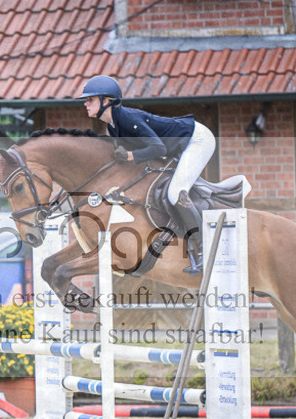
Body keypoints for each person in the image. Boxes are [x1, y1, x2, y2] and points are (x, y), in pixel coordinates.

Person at [79, 75, 215, 274]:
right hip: (178, 147)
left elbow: (158, 148)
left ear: (106, 101)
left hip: (197, 139)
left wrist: (130, 155)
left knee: (175, 193)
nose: (85, 103)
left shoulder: (127, 118)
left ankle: (204, 249)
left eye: (90, 99)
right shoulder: (113, 127)